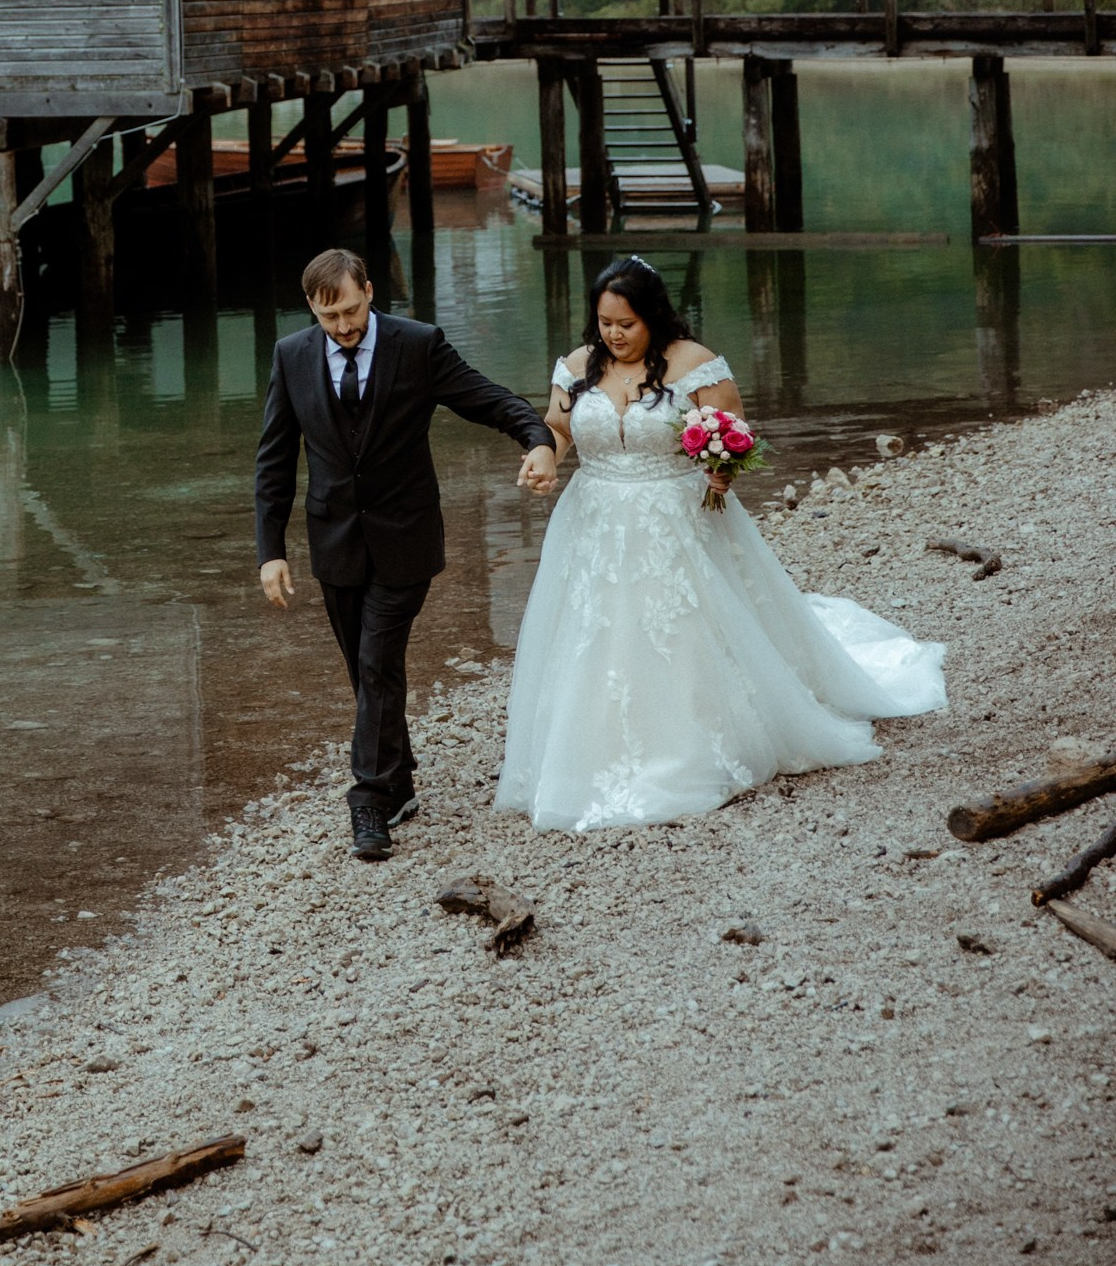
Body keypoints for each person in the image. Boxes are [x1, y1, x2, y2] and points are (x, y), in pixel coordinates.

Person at [497, 255, 945, 833]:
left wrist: (721, 471)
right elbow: (557, 431)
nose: (613, 334)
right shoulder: (579, 366)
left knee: (680, 630)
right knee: (594, 631)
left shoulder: (697, 367)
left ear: (653, 318)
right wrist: (542, 459)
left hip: (676, 519)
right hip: (594, 519)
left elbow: (734, 438)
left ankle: (691, 747)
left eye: (625, 324)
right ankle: (586, 748)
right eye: (605, 322)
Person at [255, 245, 558, 861]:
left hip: (406, 536)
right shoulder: (291, 357)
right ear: (311, 309)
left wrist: (537, 438)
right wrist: (270, 551)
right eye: (327, 316)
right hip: (333, 540)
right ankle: (400, 778)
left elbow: (485, 397)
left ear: (368, 289)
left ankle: (369, 801)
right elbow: (275, 461)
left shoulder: (417, 345)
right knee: (367, 669)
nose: (342, 327)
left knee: (375, 660)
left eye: (349, 309)